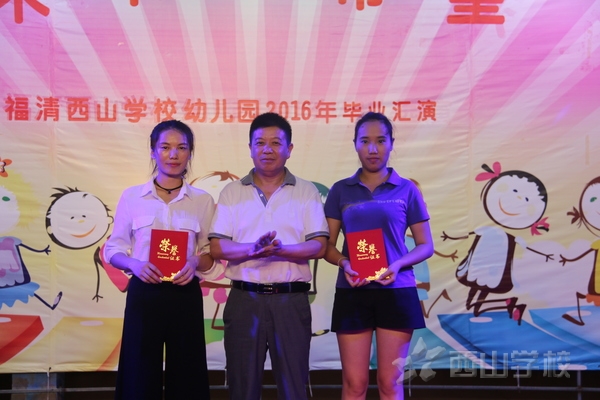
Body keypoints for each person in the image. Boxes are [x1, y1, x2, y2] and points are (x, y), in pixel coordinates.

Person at [209, 112, 329, 400]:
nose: (267, 149)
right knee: (242, 387)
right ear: (250, 148)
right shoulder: (232, 192)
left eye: (276, 143)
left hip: (290, 300)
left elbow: (319, 246)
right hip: (244, 300)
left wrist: (282, 250)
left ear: (289, 149)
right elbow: (217, 247)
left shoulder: (306, 191)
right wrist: (252, 250)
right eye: (260, 142)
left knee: (293, 387)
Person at [104, 120, 219, 400]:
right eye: (165, 147)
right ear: (153, 151)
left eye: (182, 148)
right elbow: (113, 249)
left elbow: (210, 256)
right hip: (144, 293)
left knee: (188, 373)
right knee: (139, 372)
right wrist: (134, 264)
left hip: (185, 293)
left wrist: (194, 262)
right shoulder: (132, 197)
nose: (173, 154)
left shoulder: (202, 201)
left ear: (190, 153)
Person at [324, 112, 434, 400]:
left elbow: (425, 245)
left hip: (396, 290)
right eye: (365, 141)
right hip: (353, 290)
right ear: (355, 144)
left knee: (389, 382)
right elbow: (327, 246)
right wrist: (345, 263)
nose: (373, 149)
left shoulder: (407, 189)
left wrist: (398, 264)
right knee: (354, 383)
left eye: (380, 141)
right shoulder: (340, 190)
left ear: (391, 143)